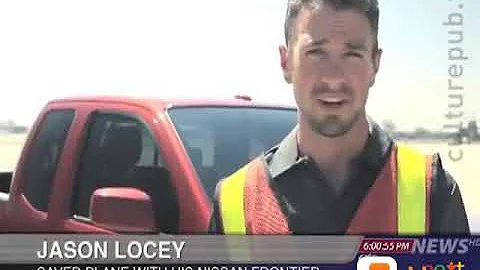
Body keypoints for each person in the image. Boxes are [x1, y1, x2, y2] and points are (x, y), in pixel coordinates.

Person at [209, 0, 470, 235]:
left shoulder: (432, 193)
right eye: (316, 52)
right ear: (285, 62)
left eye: (352, 55)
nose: (333, 78)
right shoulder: (235, 205)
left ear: (374, 65)